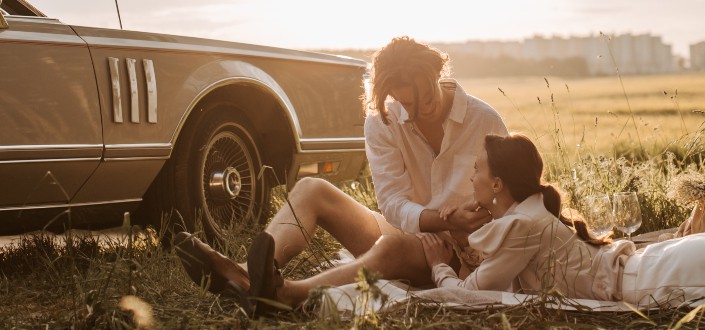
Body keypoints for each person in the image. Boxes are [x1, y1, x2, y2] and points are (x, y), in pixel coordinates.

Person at [175, 36, 508, 316]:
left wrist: (468, 230)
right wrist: (436, 219)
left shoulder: (484, 121)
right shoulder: (383, 121)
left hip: (461, 250)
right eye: (408, 102)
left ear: (439, 73)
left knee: (390, 247)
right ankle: (249, 276)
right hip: (413, 225)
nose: (420, 110)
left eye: (426, 97)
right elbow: (391, 202)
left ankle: (288, 294)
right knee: (310, 189)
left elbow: (512, 196)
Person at [415, 133, 705, 305]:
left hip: (649, 280)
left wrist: (438, 267)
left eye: (477, 169)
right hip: (649, 267)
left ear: (497, 184)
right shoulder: (529, 212)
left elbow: (468, 296)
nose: (471, 176)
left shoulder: (521, 225)